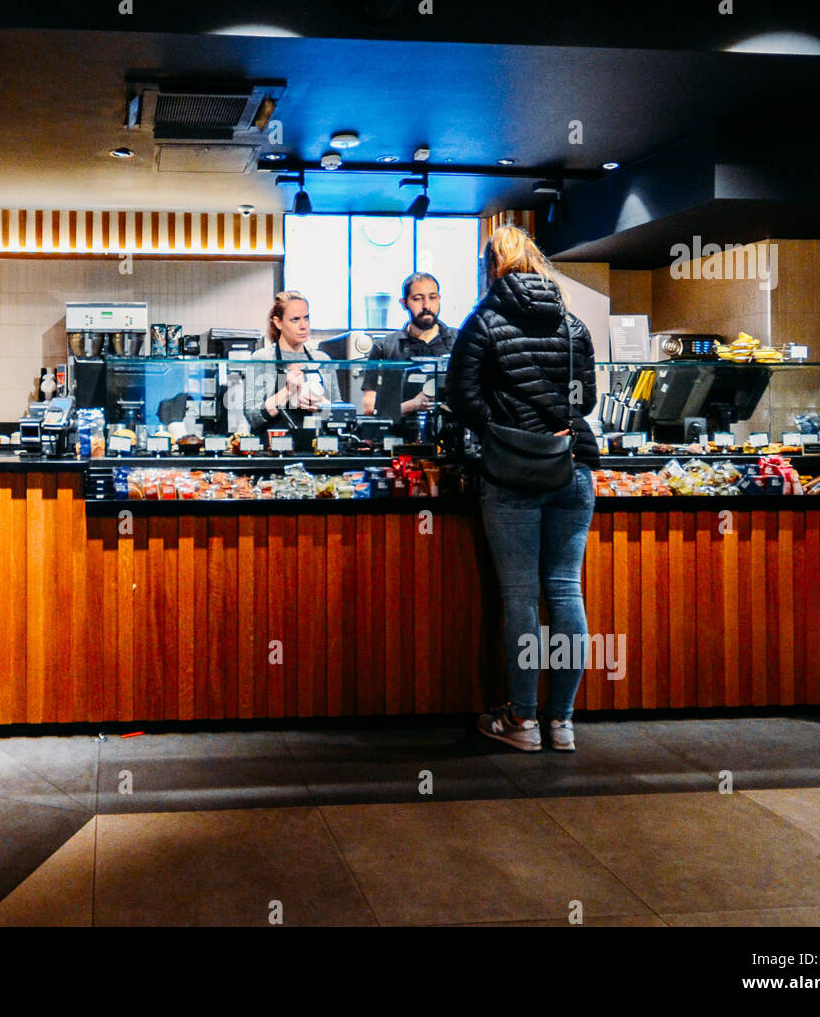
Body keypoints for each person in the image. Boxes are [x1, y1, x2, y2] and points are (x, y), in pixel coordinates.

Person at [446, 225, 599, 753]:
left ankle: (522, 721)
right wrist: (554, 425)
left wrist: (501, 431)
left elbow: (461, 397)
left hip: (512, 472)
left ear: (492, 267)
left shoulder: (483, 321)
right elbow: (588, 400)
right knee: (564, 590)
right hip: (572, 465)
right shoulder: (572, 322)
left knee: (518, 595)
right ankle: (562, 722)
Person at [360, 272, 458, 419]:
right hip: (399, 435)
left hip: (450, 432)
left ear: (439, 299)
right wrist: (412, 405)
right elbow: (369, 407)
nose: (427, 305)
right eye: (418, 299)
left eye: (432, 297)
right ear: (404, 303)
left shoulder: (459, 341)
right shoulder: (385, 347)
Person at [245, 290, 336, 435]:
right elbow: (253, 417)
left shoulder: (322, 360)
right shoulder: (262, 358)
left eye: (306, 318)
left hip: (317, 449)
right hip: (273, 449)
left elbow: (341, 413)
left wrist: (321, 404)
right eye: (295, 319)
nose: (303, 326)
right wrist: (288, 391)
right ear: (278, 322)